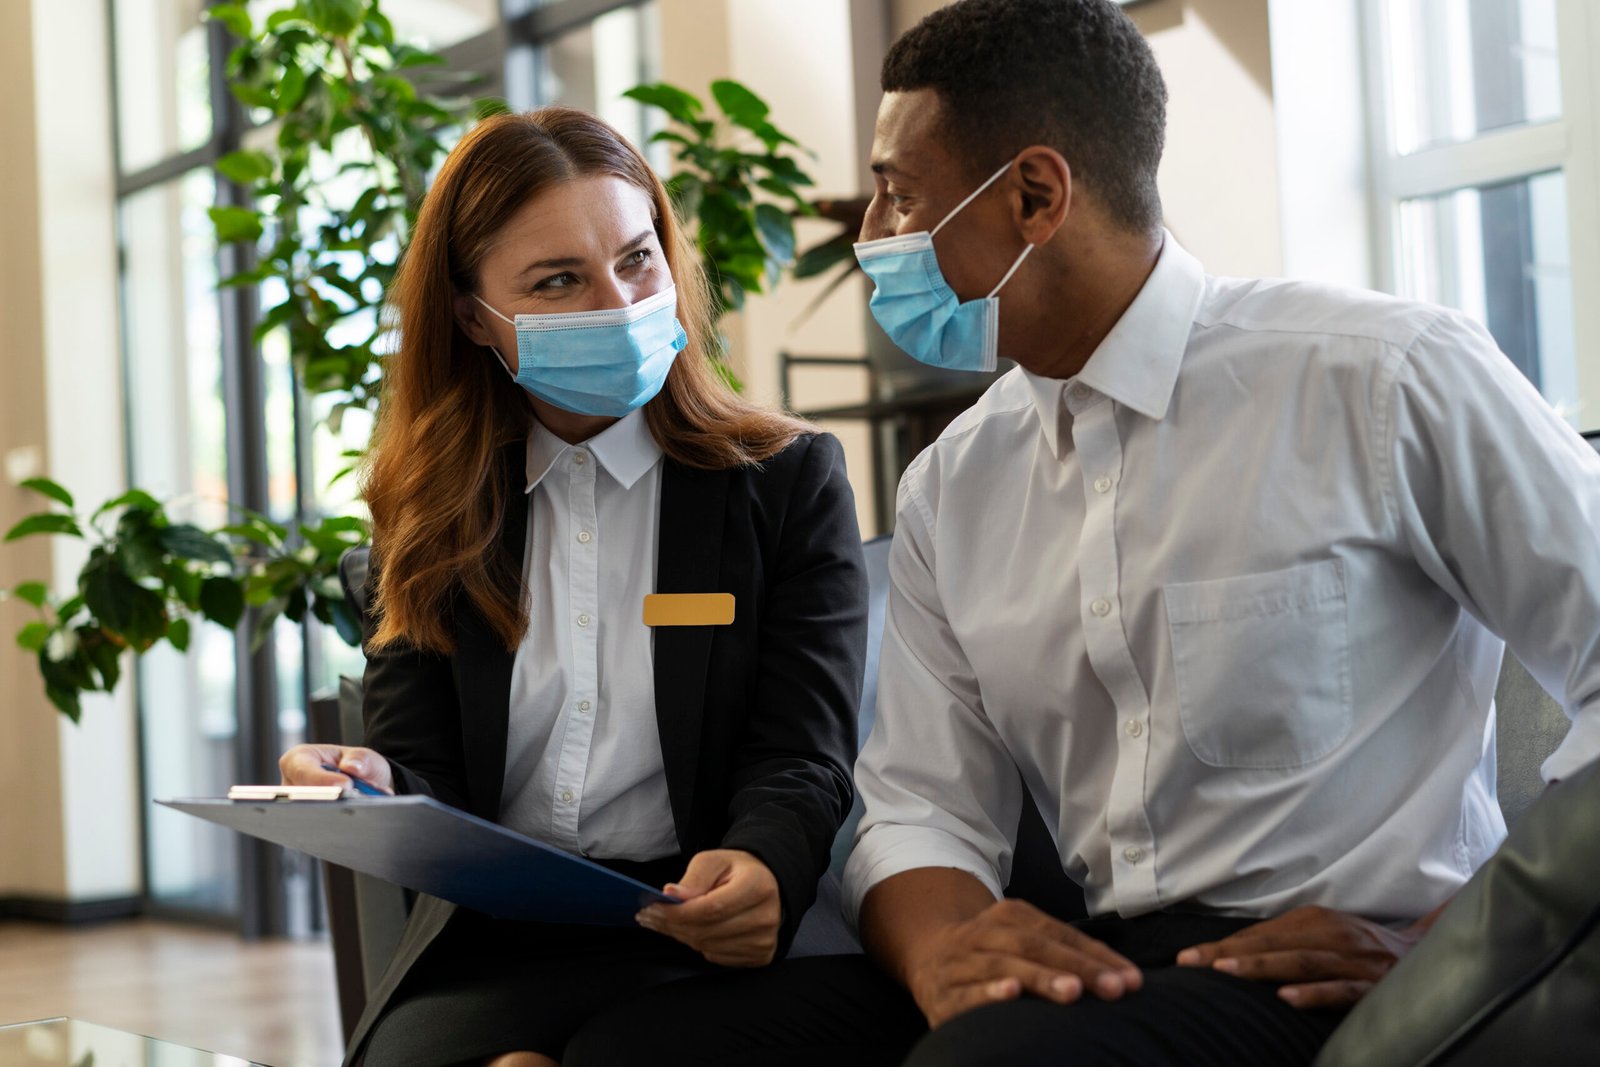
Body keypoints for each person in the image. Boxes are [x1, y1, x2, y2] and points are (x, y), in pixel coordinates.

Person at [561, 1, 1600, 1064]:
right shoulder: (952, 488)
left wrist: (1460, 945)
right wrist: (945, 956)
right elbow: (919, 809)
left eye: (897, 192)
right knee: (643, 1048)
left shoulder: (1380, 375)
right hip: (1103, 961)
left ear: (1034, 195)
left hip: (1327, 978)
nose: (870, 234)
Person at [277, 106, 868, 1067]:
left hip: (702, 934)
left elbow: (802, 755)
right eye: (559, 280)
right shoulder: (428, 516)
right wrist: (371, 786)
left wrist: (764, 864)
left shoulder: (786, 482)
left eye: (638, 259)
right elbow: (424, 774)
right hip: (498, 947)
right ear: (474, 317)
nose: (620, 301)